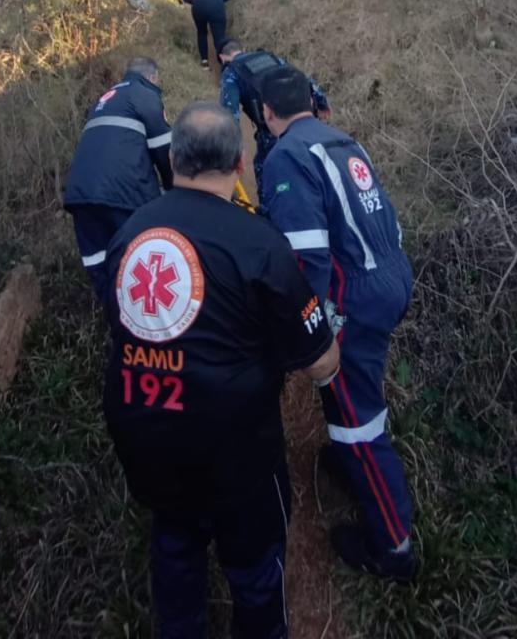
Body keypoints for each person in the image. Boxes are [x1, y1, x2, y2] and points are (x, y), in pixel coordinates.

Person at [102, 101, 341, 638]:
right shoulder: (259, 241)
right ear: (238, 164)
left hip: (143, 432)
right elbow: (321, 358)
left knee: (175, 547)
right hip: (236, 450)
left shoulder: (129, 235)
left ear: (172, 162)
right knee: (256, 572)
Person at [256, 66, 419, 583]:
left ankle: (393, 549)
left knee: (358, 425)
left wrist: (299, 333)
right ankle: (350, 459)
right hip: (390, 275)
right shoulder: (344, 142)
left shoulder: (286, 157)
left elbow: (307, 261)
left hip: (355, 298)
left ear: (265, 113)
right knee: (357, 394)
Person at [62, 57, 172, 301]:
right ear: (152, 77)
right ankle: (146, 322)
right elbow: (164, 149)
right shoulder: (145, 94)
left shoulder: (104, 99)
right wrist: (176, 192)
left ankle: (114, 319)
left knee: (100, 261)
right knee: (143, 257)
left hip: (81, 195)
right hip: (125, 193)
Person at [217, 41, 330, 192]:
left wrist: (229, 151)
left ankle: (268, 209)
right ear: (243, 50)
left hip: (273, 128)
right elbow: (302, 77)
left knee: (266, 173)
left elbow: (230, 116)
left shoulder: (231, 71)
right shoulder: (269, 57)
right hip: (304, 120)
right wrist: (322, 103)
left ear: (223, 58)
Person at [181, 0, 232, 70]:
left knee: (202, 33)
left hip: (199, 8)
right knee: (219, 36)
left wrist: (195, 2)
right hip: (217, 8)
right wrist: (216, 0)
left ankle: (205, 62)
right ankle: (224, 64)